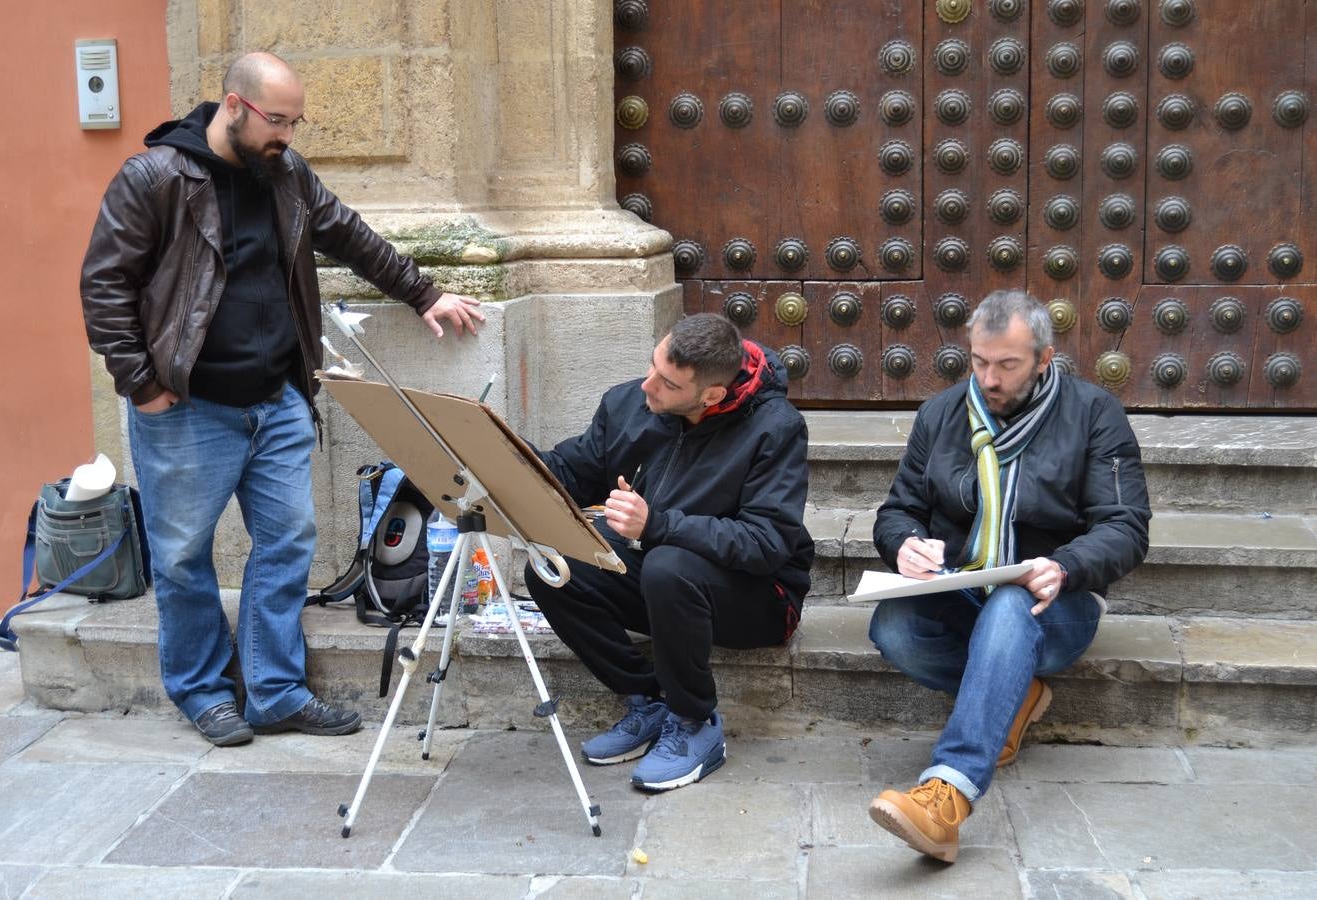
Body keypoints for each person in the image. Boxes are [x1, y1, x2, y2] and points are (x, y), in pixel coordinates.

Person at [79, 52, 484, 747]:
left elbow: (348, 233)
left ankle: (273, 691)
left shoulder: (284, 173)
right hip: (185, 410)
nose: (288, 136)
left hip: (277, 400)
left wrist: (424, 292)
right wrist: (141, 384)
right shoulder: (155, 178)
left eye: (296, 122)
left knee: (287, 541)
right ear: (233, 105)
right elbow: (104, 286)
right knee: (181, 557)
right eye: (278, 121)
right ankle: (204, 692)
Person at [866, 290, 1151, 863]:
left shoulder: (1095, 413)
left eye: (1008, 365)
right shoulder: (941, 413)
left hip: (1052, 601)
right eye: (979, 362)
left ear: (1044, 359)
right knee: (893, 628)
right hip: (961, 584)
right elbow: (898, 510)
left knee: (1010, 604)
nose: (989, 379)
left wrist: (1065, 565)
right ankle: (1012, 692)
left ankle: (948, 793)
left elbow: (1126, 527)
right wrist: (905, 545)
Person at [524, 313, 814, 792]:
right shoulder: (632, 403)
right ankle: (648, 699)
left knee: (667, 564)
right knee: (553, 566)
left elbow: (765, 544)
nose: (647, 386)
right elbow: (569, 473)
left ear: (711, 396)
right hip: (669, 582)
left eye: (667, 382)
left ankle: (695, 722)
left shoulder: (775, 429)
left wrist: (656, 524)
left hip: (760, 597)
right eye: (652, 365)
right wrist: (500, 453)